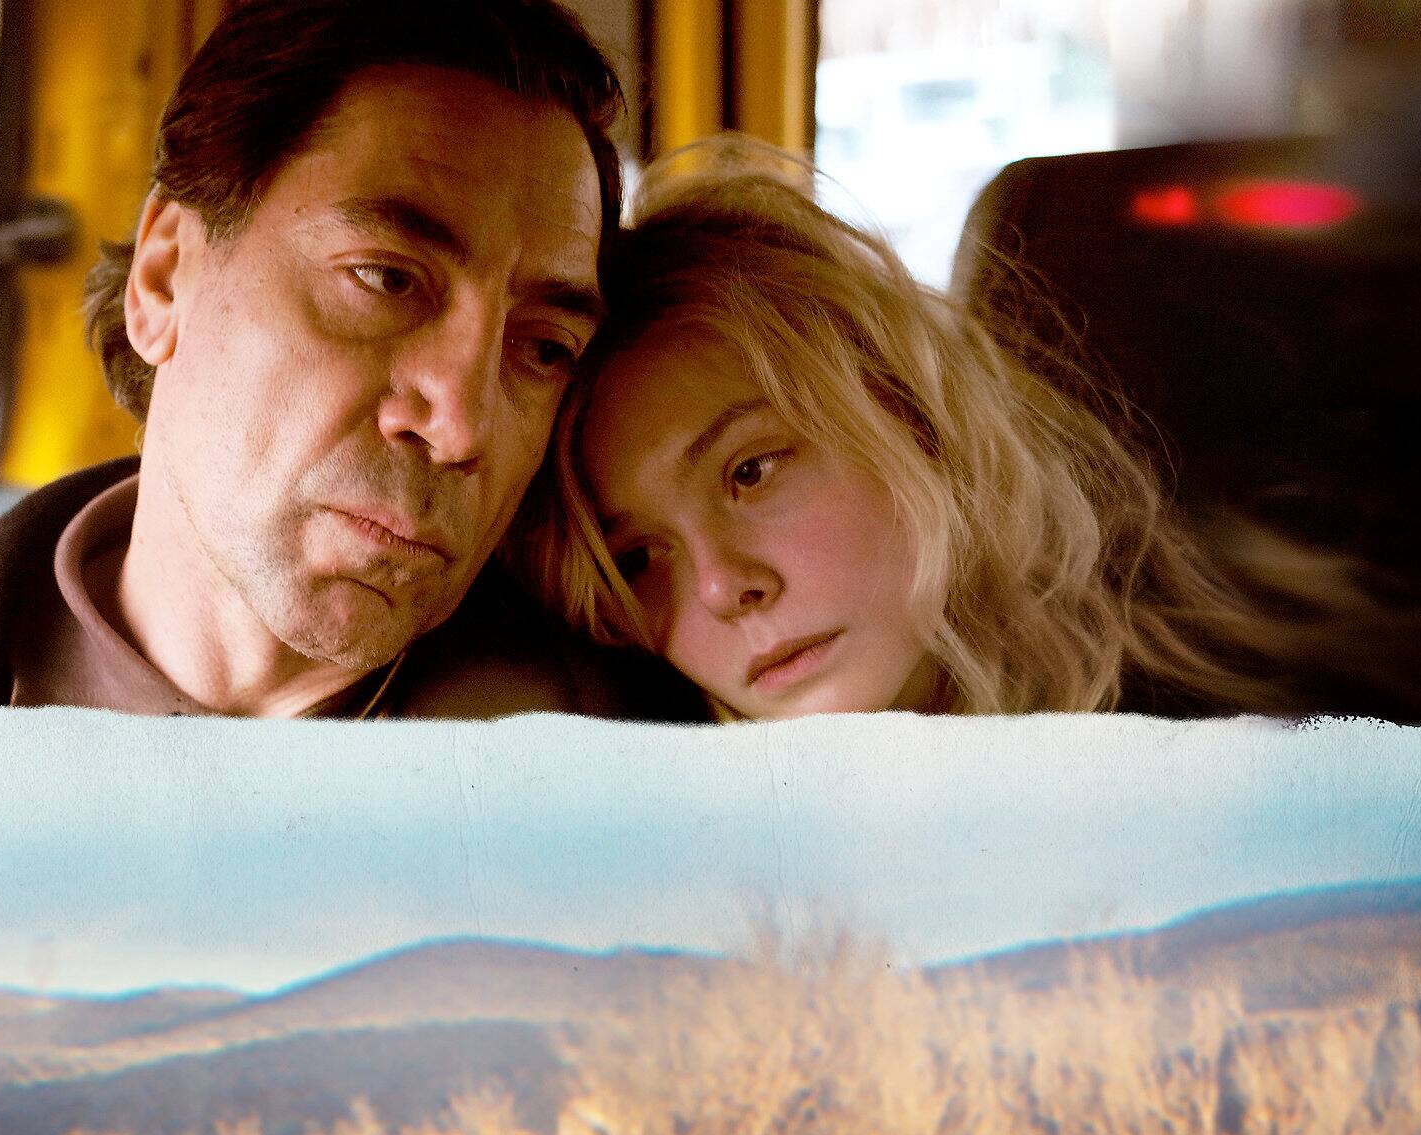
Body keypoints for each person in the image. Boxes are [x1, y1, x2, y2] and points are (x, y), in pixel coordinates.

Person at [0, 0, 696, 721]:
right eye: (387, 280)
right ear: (162, 278)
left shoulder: (646, 782)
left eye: (541, 348)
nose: (460, 422)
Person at [512, 135, 1333, 720]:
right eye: (638, 558)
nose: (725, 589)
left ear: (909, 415)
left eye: (751, 471)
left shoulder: (1241, 736)